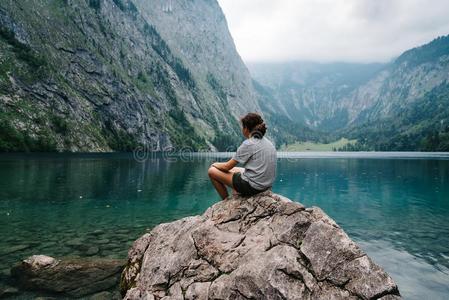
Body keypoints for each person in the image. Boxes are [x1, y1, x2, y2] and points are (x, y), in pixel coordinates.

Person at [208, 112, 277, 200]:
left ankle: (226, 200)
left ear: (246, 129)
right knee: (237, 171)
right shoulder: (268, 142)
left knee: (212, 171)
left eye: (243, 126)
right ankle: (235, 194)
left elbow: (226, 167)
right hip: (266, 185)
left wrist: (214, 164)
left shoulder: (249, 143)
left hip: (253, 187)